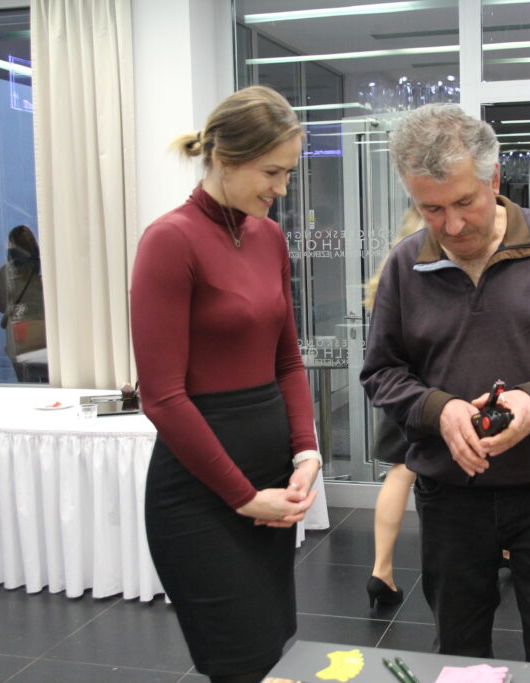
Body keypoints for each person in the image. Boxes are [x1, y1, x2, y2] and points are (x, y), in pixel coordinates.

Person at [360, 104, 530, 665]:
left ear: (494, 179)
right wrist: (438, 410)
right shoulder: (405, 265)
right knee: (458, 657)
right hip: (450, 498)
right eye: (431, 209)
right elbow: (381, 372)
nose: (453, 226)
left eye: (464, 203)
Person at [130, 85, 322, 683]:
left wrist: (306, 452)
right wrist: (242, 496)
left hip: (268, 481)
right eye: (271, 172)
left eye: (288, 173)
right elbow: (162, 397)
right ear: (223, 158)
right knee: (242, 663)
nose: (281, 189)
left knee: (274, 651)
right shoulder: (170, 240)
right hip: (202, 493)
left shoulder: (269, 237)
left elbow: (287, 361)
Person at [364, 207, 424, 608]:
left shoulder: (392, 266)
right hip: (434, 387)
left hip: (397, 385)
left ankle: (381, 570)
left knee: (399, 473)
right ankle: (501, 549)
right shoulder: (434, 264)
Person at [0, 225, 47, 382]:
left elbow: (1, 306)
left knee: (27, 385)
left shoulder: (3, 273)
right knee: (50, 383)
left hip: (19, 336)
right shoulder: (44, 269)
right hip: (43, 335)